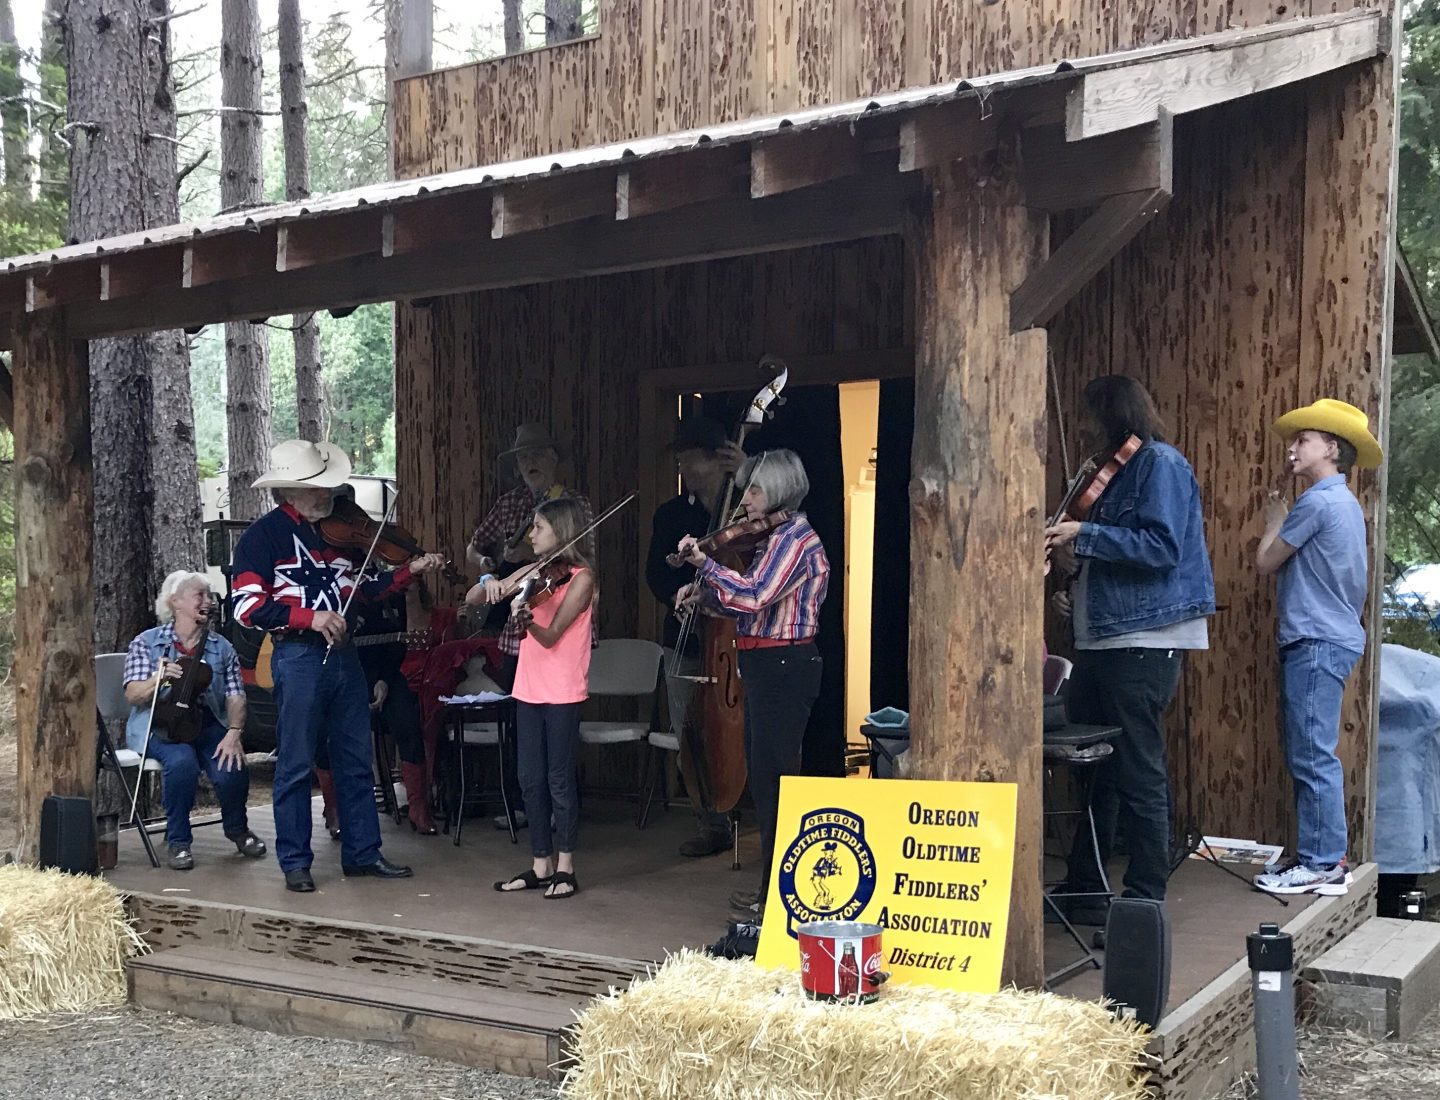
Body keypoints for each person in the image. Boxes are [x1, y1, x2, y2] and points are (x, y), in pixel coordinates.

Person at [232, 439, 446, 893]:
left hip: (345, 657)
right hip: (296, 655)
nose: (329, 494)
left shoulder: (339, 533)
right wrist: (310, 618)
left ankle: (363, 853)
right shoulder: (261, 538)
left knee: (355, 759)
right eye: (317, 488)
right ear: (288, 492)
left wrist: (410, 573)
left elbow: (362, 593)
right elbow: (247, 607)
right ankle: (294, 860)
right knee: (294, 761)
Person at [1044, 376, 1215, 922]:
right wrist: (1077, 585)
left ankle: (1145, 897)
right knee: (1099, 769)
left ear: (1113, 413)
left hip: (1145, 642)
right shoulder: (1114, 474)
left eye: (1090, 416)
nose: (1084, 429)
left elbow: (1162, 548)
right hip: (1106, 637)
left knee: (1138, 768)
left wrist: (1083, 537)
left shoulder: (1159, 464)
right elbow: (1117, 556)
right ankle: (1086, 889)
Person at [676, 449, 830, 919]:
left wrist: (705, 564)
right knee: (766, 783)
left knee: (776, 783)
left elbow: (756, 595)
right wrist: (703, 597)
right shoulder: (772, 540)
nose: (747, 500)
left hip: (785, 666)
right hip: (767, 666)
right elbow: (749, 606)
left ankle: (780, 899)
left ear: (780, 489)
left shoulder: (795, 539)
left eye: (755, 490)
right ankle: (772, 893)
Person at [1251, 399, 1381, 896]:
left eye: (1302, 440)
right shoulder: (1344, 503)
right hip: (1332, 639)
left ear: (1331, 447)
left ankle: (1324, 863)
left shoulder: (1318, 502)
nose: (1291, 449)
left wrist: (1274, 518)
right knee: (1315, 751)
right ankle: (1324, 860)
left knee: (1311, 755)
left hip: (1316, 641)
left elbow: (1266, 562)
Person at [466, 423, 593, 829]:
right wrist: (490, 570)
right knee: (523, 737)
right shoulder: (508, 504)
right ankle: (525, 807)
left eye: (537, 454)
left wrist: (536, 560)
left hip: (558, 631)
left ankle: (560, 817)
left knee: (558, 748)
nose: (530, 463)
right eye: (523, 457)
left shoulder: (573, 503)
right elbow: (474, 547)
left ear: (554, 458)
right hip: (516, 634)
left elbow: (584, 554)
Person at [644, 415, 746, 857]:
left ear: (717, 460)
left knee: (742, 730)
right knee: (691, 729)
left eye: (690, 459)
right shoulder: (670, 515)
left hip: (736, 638)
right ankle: (710, 820)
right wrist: (677, 593)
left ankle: (756, 810)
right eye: (680, 459)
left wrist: (748, 476)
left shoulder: (746, 506)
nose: (683, 467)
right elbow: (655, 574)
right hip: (685, 636)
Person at [124, 571, 267, 871]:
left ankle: (237, 829)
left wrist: (234, 732)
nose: (207, 601)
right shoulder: (146, 643)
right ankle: (178, 842)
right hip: (158, 724)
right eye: (199, 595)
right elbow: (133, 695)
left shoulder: (221, 647)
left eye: (209, 595)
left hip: (203, 721)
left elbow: (235, 695)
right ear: (175, 602)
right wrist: (156, 679)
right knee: (181, 763)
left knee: (231, 763)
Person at [493, 497, 597, 900]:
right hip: (529, 686)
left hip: (563, 689)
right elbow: (476, 594)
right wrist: (490, 584)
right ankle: (541, 863)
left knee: (558, 778)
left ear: (561, 530)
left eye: (538, 527)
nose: (530, 535)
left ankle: (566, 866)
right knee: (529, 778)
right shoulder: (534, 571)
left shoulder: (581, 577)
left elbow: (551, 634)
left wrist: (525, 618)